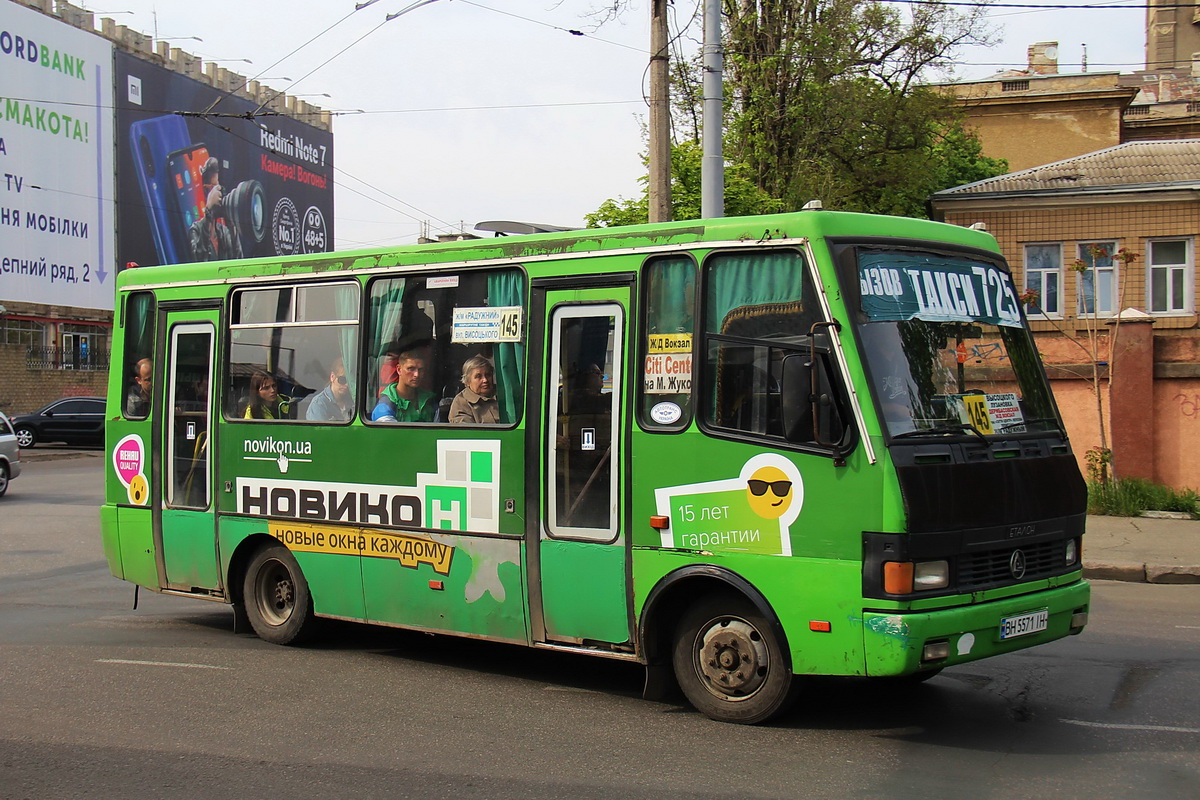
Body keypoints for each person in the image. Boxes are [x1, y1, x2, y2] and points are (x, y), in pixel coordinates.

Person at [188, 157, 244, 262]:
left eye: (218, 187)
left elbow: (239, 261)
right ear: (205, 190)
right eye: (213, 187)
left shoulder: (224, 232)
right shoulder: (196, 230)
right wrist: (209, 210)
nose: (217, 192)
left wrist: (231, 222)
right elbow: (199, 259)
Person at [371, 350, 435, 422]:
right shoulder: (386, 404)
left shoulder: (429, 400)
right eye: (411, 369)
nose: (416, 374)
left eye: (421, 369)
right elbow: (389, 432)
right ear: (399, 370)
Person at [449, 355, 499, 424]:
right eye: (478, 376)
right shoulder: (461, 402)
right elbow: (468, 432)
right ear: (468, 381)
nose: (485, 380)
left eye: (488, 375)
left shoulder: (504, 393)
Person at [305, 357, 354, 421]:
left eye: (349, 381)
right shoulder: (319, 404)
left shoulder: (352, 400)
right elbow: (319, 430)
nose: (347, 385)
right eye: (342, 380)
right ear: (332, 377)